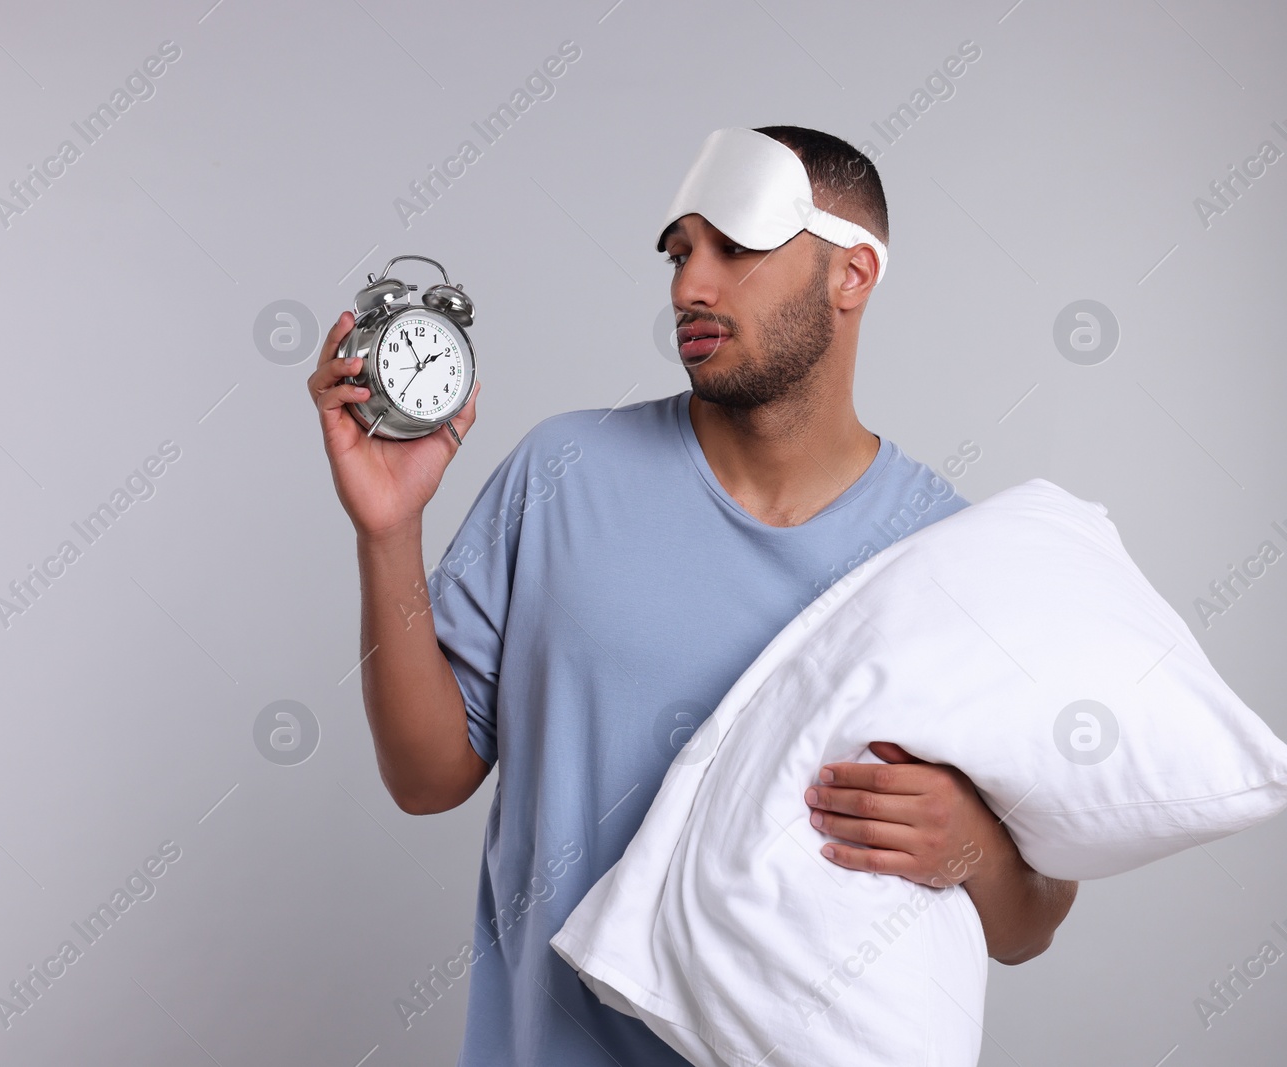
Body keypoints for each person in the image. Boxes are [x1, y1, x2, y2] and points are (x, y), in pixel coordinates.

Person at [307, 125, 1078, 1066]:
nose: (689, 286)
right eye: (679, 252)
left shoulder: (943, 553)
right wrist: (388, 532)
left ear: (855, 274)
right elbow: (428, 778)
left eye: (737, 247)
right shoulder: (563, 474)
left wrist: (968, 848)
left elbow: (1030, 922)